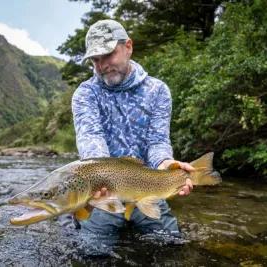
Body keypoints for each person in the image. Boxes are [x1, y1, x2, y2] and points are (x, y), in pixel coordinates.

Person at [71, 19, 194, 254]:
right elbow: (92, 143)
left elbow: (157, 142)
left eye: (108, 55)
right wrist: (98, 182)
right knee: (93, 252)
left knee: (169, 246)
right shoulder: (84, 94)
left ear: (128, 46)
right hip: (103, 192)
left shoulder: (158, 91)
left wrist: (167, 164)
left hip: (146, 186)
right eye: (95, 60)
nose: (102, 65)